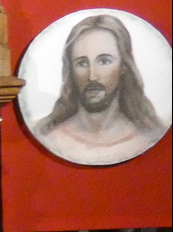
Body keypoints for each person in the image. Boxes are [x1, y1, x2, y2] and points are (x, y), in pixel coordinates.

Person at [34, 13, 167, 166]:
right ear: (70, 70)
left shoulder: (147, 136)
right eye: (82, 63)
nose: (92, 76)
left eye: (104, 61)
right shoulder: (51, 136)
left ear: (123, 66)